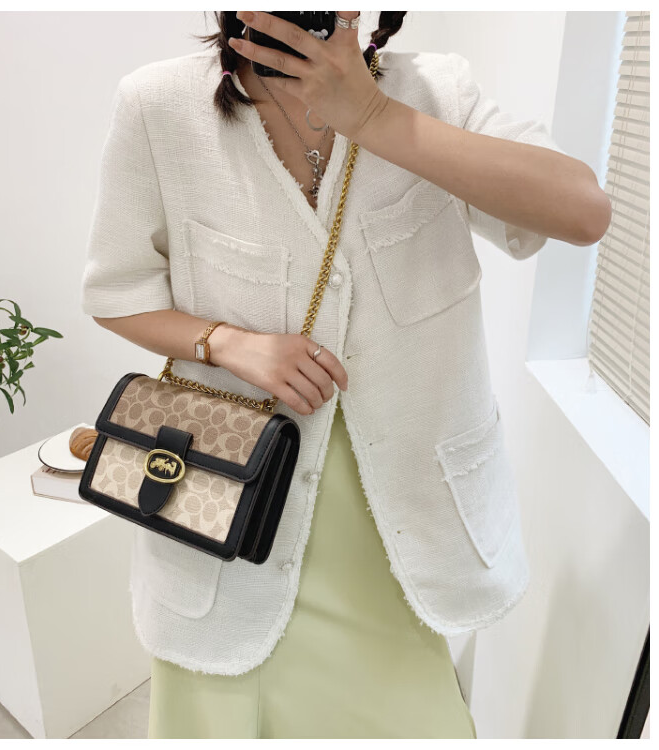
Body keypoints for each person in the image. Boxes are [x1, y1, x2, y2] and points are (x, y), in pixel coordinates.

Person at [80, 11, 610, 739]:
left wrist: (372, 116)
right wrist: (227, 343)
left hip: (398, 531)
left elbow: (583, 211)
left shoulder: (437, 91)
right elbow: (117, 292)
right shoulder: (159, 106)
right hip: (231, 515)